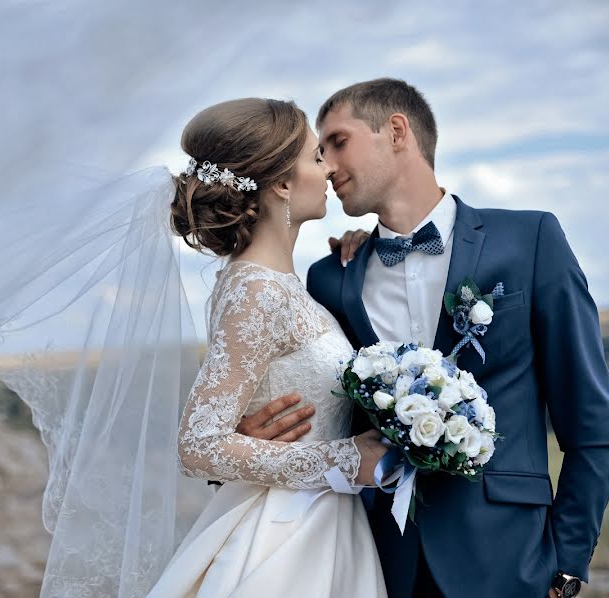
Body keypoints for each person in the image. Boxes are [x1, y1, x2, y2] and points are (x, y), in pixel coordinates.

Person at [240, 78, 609, 598]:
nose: (327, 164)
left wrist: (568, 564)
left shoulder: (529, 241)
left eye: (338, 141)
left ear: (395, 131)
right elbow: (327, 416)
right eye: (321, 150)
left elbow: (591, 424)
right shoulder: (331, 278)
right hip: (375, 559)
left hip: (509, 559)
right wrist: (251, 443)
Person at [147, 97, 389, 596]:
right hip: (285, 535)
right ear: (281, 183)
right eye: (316, 157)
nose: (328, 170)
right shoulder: (257, 290)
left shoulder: (279, 284)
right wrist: (343, 461)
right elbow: (199, 444)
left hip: (320, 521)